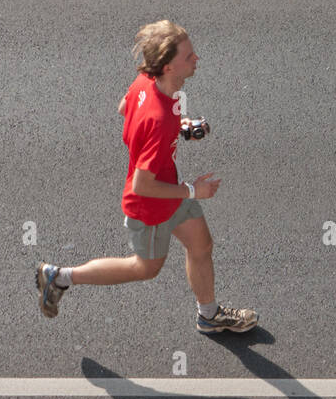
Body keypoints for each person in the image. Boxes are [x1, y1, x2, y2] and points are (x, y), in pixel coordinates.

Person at [35, 20, 258, 334]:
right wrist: (195, 191)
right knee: (144, 269)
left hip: (168, 190)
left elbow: (124, 107)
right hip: (152, 204)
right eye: (189, 56)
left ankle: (209, 315)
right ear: (168, 67)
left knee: (202, 245)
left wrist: (178, 129)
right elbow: (143, 184)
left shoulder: (146, 81)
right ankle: (59, 277)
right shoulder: (159, 119)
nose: (196, 60)